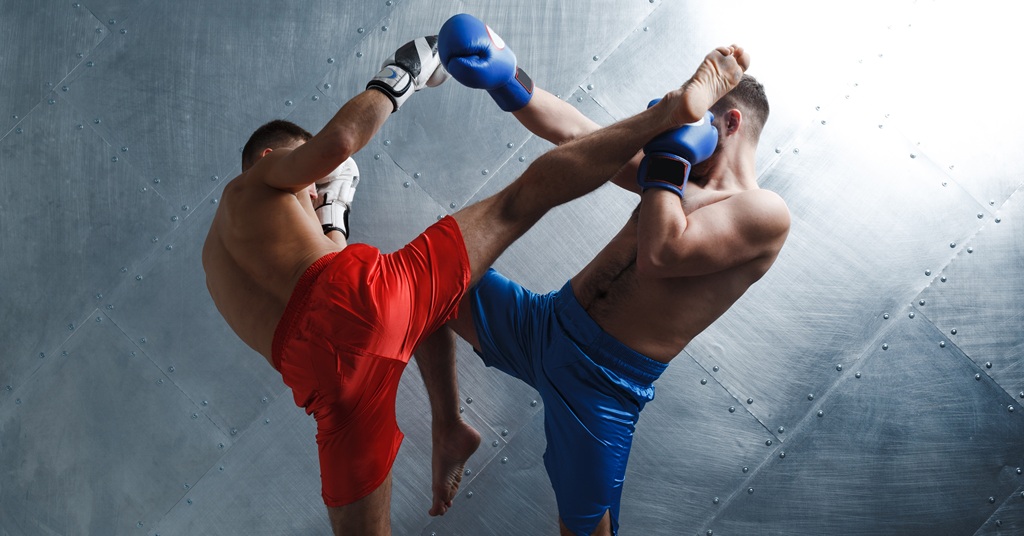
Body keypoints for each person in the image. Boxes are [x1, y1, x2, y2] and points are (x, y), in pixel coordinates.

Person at [202, 20, 750, 535]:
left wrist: (504, 76)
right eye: (312, 186)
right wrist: (407, 71)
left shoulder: (215, 259)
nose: (316, 191)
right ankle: (672, 108)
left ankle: (449, 426)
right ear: (271, 158)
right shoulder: (255, 182)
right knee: (517, 203)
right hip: (401, 306)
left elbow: (321, 320)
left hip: (326, 382)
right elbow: (340, 144)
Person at [428, 14, 789, 536]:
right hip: (544, 324)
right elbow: (577, 134)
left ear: (728, 123)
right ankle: (449, 428)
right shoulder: (674, 172)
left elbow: (661, 255)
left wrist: (669, 150)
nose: (671, 129)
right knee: (424, 279)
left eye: (691, 118)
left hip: (603, 385)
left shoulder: (764, 212)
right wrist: (507, 78)